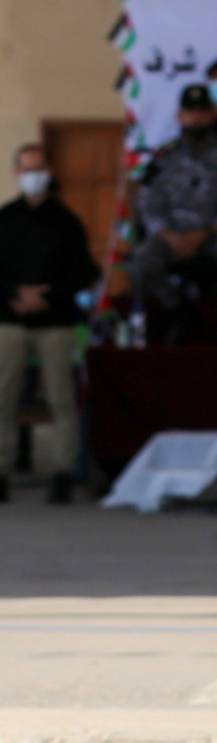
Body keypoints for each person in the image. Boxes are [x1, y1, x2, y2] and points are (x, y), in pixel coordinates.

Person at [0, 144, 99, 504]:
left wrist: (49, 295)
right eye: (27, 169)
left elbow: (83, 271)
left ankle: (62, 472)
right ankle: (2, 470)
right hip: (9, 321)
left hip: (56, 323)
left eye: (39, 168)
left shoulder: (66, 222)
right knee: (3, 398)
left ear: (50, 171)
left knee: (60, 398)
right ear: (16, 172)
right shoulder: (6, 218)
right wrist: (17, 293)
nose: (33, 175)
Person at [133, 85, 217, 344]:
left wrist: (204, 234)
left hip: (214, 233)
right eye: (190, 112)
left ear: (212, 115)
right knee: (143, 258)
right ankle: (178, 310)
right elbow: (149, 205)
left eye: (202, 112)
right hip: (171, 235)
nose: (196, 118)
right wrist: (170, 236)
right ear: (180, 116)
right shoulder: (162, 158)